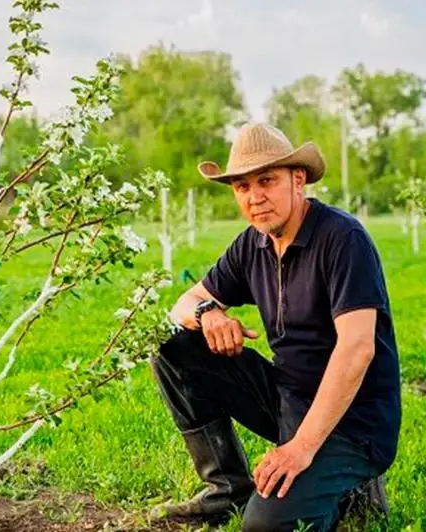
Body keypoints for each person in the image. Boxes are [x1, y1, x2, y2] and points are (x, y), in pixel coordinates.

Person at [150, 123, 401, 532]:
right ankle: (227, 491)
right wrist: (209, 313)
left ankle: (352, 489)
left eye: (266, 180)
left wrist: (300, 448)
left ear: (297, 179)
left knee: (265, 527)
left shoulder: (342, 239)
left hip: (354, 421)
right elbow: (184, 304)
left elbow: (358, 349)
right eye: (242, 187)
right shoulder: (253, 244)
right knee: (171, 343)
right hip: (288, 400)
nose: (255, 197)